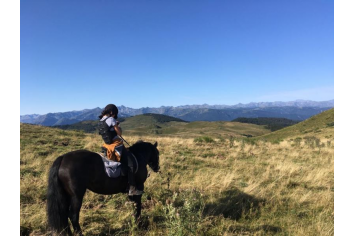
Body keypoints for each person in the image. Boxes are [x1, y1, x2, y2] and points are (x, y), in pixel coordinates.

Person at [98, 104, 140, 196]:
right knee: (131, 164)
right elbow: (119, 133)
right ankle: (132, 188)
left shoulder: (101, 121)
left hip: (107, 146)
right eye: (114, 114)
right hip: (116, 146)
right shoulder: (111, 120)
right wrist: (117, 125)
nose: (114, 116)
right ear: (112, 112)